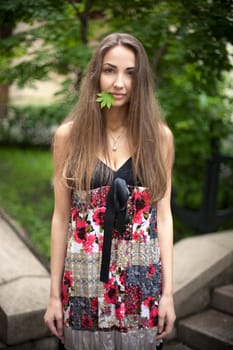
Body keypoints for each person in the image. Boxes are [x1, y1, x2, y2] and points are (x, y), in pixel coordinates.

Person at [44, 32, 176, 350]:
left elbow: (164, 217)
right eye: (110, 70)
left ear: (141, 79)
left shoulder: (159, 137)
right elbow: (61, 218)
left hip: (140, 278)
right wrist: (52, 295)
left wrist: (169, 293)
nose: (119, 83)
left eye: (130, 73)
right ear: (96, 75)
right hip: (83, 277)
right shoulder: (69, 137)